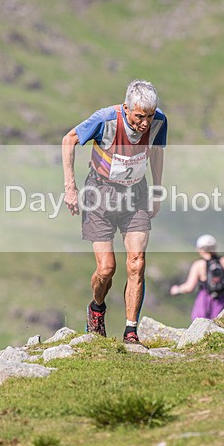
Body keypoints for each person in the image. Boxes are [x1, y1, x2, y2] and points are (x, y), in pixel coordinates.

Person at [62, 79, 168, 345]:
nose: (145, 123)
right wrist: (70, 188)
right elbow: (69, 140)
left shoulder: (159, 121)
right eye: (139, 117)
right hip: (99, 195)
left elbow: (156, 151)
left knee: (137, 263)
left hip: (136, 194)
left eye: (150, 116)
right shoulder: (105, 119)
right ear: (126, 108)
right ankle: (96, 309)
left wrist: (157, 190)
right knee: (106, 268)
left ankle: (131, 332)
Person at [170, 234, 224, 320]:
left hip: (203, 299)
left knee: (199, 327)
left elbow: (189, 287)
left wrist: (177, 289)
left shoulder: (198, 265)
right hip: (220, 299)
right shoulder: (223, 261)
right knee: (218, 326)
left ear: (200, 249)